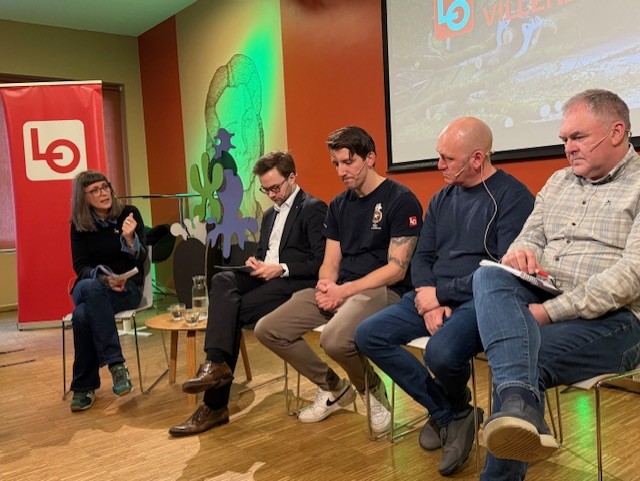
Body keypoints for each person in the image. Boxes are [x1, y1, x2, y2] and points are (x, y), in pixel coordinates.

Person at [473, 89, 640, 480]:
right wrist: (522, 253)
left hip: (618, 320)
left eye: (577, 137)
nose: (568, 148)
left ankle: (512, 422)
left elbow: (632, 275)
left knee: (517, 359)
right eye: (564, 139)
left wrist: (548, 313)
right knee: (489, 274)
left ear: (616, 132)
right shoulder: (559, 181)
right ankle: (521, 406)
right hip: (546, 292)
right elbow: (529, 235)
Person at [355, 117, 534, 475]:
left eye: (448, 159)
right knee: (368, 334)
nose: (439, 165)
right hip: (432, 294)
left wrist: (441, 295)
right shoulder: (441, 198)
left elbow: (502, 271)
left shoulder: (513, 197)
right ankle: (451, 412)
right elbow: (422, 256)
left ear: (477, 159)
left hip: (481, 299)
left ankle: (449, 412)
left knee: (441, 353)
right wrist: (427, 298)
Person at [254, 126, 423, 433]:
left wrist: (343, 291)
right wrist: (325, 285)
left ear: (370, 158)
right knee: (268, 329)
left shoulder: (400, 199)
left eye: (348, 162)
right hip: (344, 288)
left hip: (383, 290)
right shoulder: (338, 205)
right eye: (336, 164)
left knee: (333, 339)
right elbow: (331, 261)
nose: (341, 171)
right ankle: (333, 387)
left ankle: (371, 389)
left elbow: (396, 269)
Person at [169, 151, 327, 437]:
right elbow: (264, 253)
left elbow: (321, 262)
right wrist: (257, 262)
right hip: (266, 276)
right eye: (266, 190)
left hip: (293, 282)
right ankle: (216, 365)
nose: (271, 195)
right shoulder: (268, 215)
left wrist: (281, 268)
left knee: (228, 313)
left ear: (292, 177)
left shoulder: (313, 208)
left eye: (275, 188)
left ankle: (215, 403)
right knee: (222, 279)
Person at [69, 170, 147, 412]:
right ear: (83, 197)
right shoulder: (79, 225)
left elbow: (141, 259)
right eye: (95, 190)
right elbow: (80, 266)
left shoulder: (129, 214)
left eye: (105, 187)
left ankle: (84, 387)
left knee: (82, 315)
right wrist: (104, 278)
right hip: (91, 286)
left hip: (127, 288)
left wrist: (130, 238)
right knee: (91, 286)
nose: (103, 193)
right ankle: (116, 364)